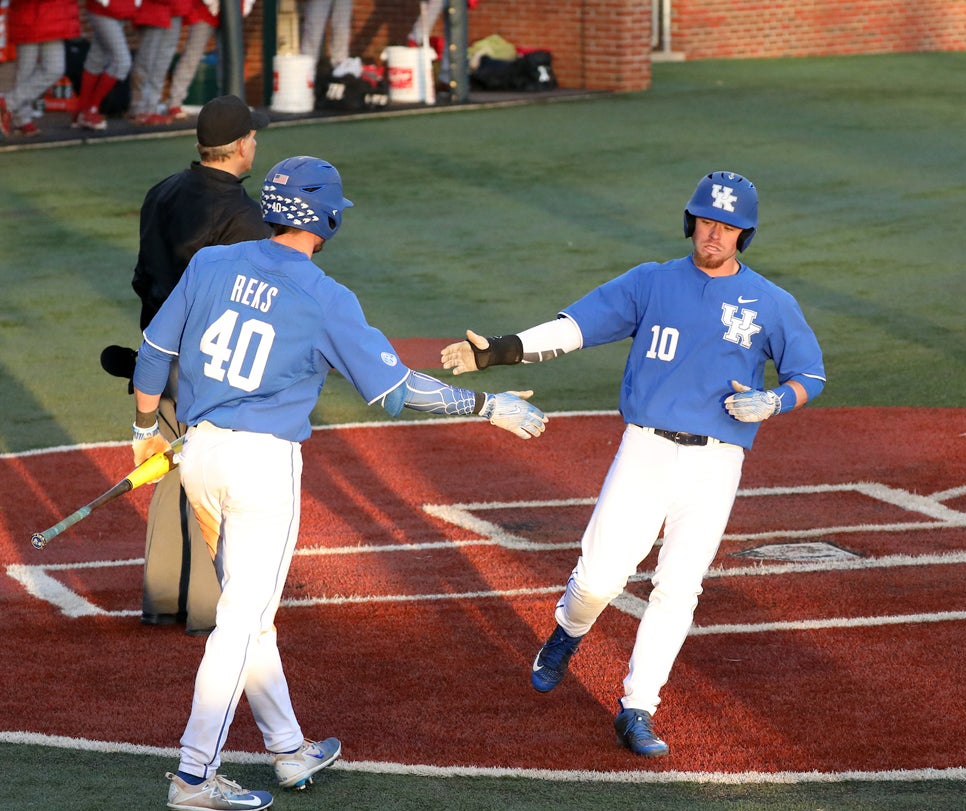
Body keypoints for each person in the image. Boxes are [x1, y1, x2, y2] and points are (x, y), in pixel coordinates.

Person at [132, 154, 547, 808]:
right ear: (324, 218)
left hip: (200, 456)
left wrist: (141, 428)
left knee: (250, 609)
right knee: (240, 620)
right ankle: (193, 775)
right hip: (262, 467)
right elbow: (398, 388)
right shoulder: (325, 297)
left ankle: (289, 748)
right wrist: (487, 405)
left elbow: (155, 352)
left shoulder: (211, 264)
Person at [441, 171, 826, 757]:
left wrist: (775, 400)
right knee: (598, 579)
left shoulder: (772, 302)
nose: (713, 234)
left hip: (717, 464)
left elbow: (811, 375)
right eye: (706, 221)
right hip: (646, 449)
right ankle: (568, 632)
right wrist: (500, 349)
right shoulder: (651, 282)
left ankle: (638, 706)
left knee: (679, 588)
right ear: (691, 222)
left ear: (744, 234)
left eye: (727, 226)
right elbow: (576, 328)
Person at [130, 94, 272, 635]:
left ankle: (163, 598)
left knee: (166, 472)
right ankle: (208, 608)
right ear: (239, 147)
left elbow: (143, 276)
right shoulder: (245, 217)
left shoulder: (160, 192)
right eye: (253, 137)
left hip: (155, 355)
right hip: (212, 368)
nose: (255, 143)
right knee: (212, 479)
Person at [0, 0, 83, 138]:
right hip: (29, 17)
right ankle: (22, 119)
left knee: (55, 68)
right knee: (25, 71)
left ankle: (7, 104)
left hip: (56, 16)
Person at [76, 0, 138, 131]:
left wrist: (134, 4)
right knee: (122, 62)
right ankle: (91, 109)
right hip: (103, 9)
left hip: (119, 9)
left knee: (96, 58)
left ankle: (81, 111)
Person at [126, 0, 186, 125]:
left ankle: (151, 108)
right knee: (146, 60)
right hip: (153, 8)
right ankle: (139, 108)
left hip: (176, 8)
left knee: (161, 63)